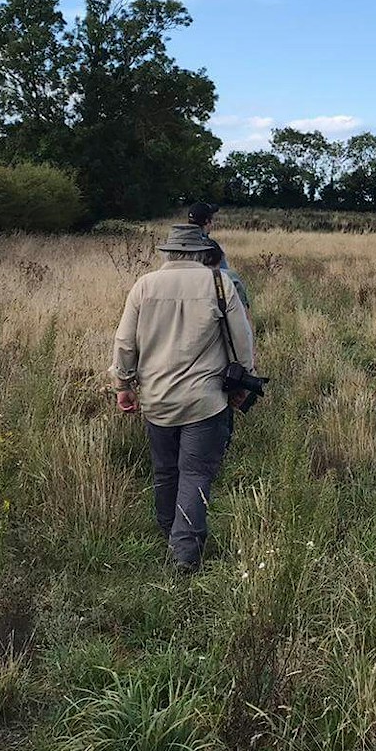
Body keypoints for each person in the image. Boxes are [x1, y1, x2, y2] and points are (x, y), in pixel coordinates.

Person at [110, 223, 256, 572]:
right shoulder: (219, 283)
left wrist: (123, 385)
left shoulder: (144, 285)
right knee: (196, 472)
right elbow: (242, 341)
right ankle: (185, 551)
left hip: (157, 397)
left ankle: (169, 531)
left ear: (169, 253)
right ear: (201, 253)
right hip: (205, 400)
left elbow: (125, 342)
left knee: (165, 470)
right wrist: (244, 381)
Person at [188, 201, 250, 310]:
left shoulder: (178, 246)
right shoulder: (211, 247)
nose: (212, 224)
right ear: (207, 221)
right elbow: (224, 277)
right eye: (211, 220)